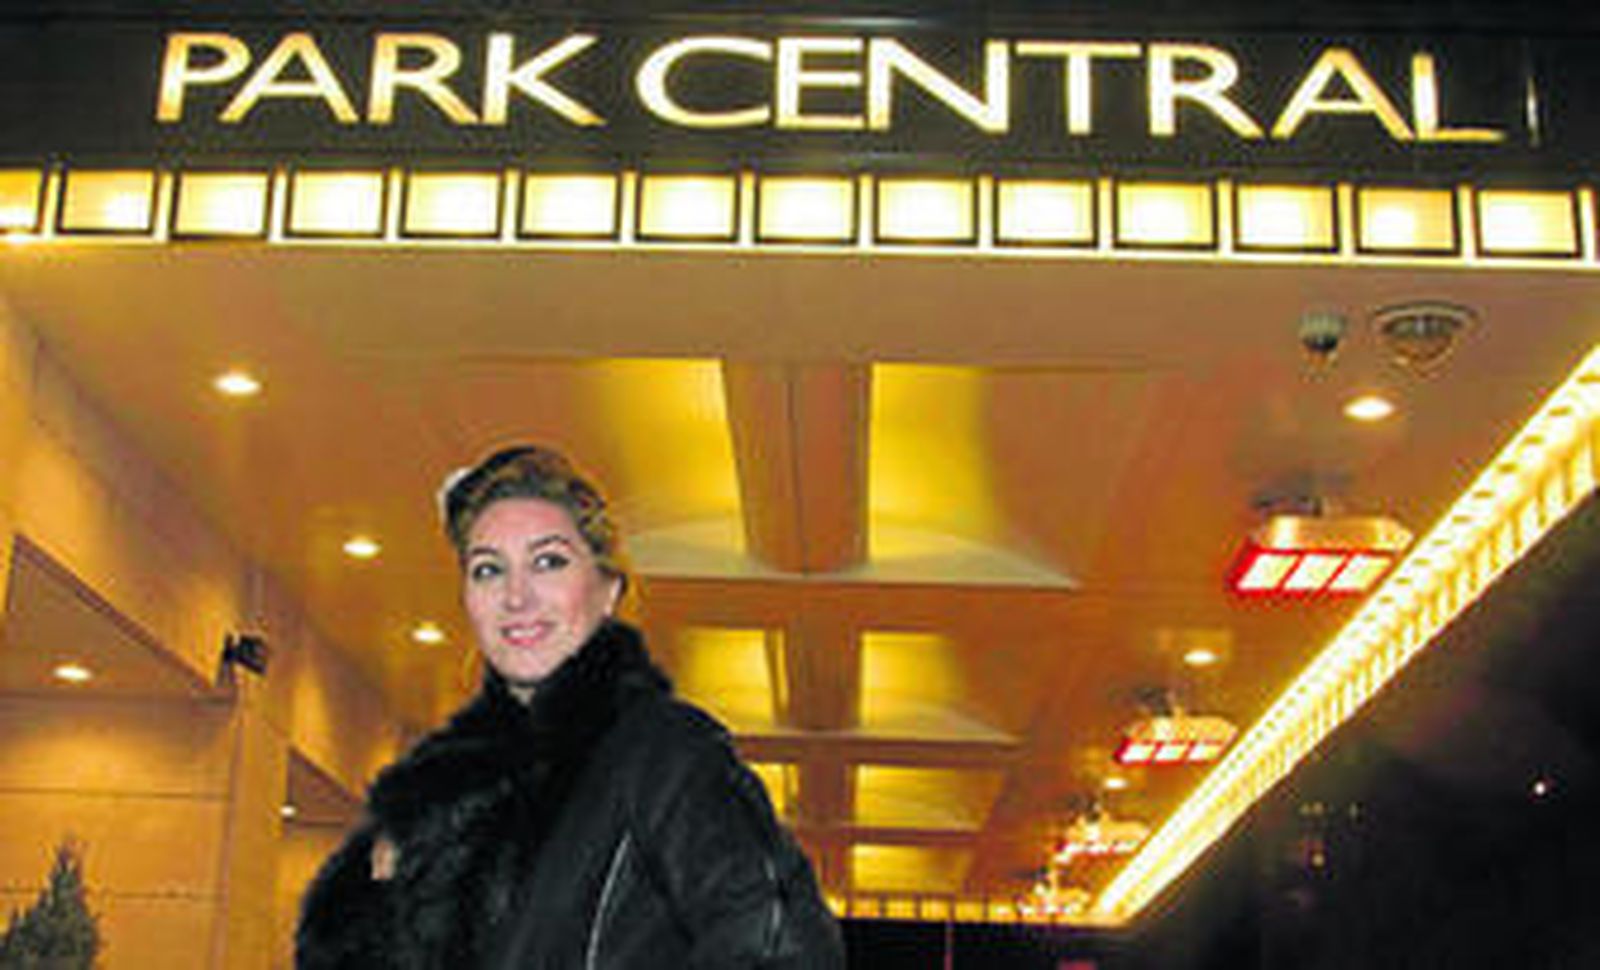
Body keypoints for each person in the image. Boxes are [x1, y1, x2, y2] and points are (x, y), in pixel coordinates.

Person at [296, 445, 844, 969]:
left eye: (548, 562)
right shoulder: (443, 802)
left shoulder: (665, 752)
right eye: (488, 569)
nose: (517, 596)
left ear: (607, 589)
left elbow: (779, 950)